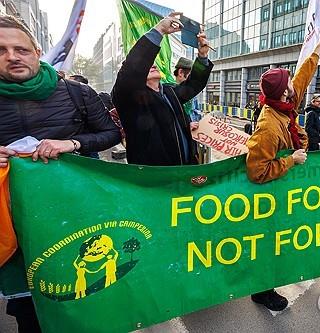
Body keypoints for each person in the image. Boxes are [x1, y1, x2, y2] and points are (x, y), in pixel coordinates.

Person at [0, 14, 120, 332]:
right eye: (0, 50)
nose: (12, 56)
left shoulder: (76, 94)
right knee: (30, 311)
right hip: (15, 228)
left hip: (75, 218)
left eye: (20, 49)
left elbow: (111, 134)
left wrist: (71, 143)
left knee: (84, 297)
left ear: (37, 50)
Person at [246, 31, 320, 311]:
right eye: (288, 83)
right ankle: (262, 290)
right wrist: (291, 161)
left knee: (282, 242)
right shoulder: (269, 125)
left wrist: (318, 49)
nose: (294, 86)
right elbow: (257, 171)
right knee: (270, 243)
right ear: (283, 92)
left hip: (286, 190)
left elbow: (302, 76)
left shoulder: (284, 103)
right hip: (271, 194)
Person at [112, 12, 213, 166]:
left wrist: (202, 56)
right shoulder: (129, 97)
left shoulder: (170, 91)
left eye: (154, 63)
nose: (152, 64)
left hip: (185, 169)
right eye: (147, 64)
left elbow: (194, 84)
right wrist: (159, 30)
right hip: (156, 178)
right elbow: (131, 70)